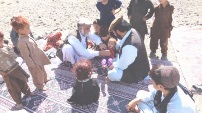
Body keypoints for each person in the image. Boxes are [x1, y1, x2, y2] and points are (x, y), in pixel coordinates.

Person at [126, 65, 198, 113]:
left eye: (152, 81)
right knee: (140, 94)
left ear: (160, 86)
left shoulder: (175, 108)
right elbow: (153, 94)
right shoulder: (171, 85)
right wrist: (136, 100)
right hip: (166, 107)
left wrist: (138, 111)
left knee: (142, 105)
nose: (150, 82)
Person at [10, 16, 51, 91]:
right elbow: (25, 55)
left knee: (42, 69)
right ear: (20, 30)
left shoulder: (26, 36)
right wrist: (31, 64)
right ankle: (40, 85)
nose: (30, 29)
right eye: (27, 28)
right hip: (33, 61)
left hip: (37, 57)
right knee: (37, 74)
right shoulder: (22, 42)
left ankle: (44, 79)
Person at [107, 16, 150, 83]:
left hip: (137, 74)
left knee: (111, 74)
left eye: (114, 33)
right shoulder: (132, 30)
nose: (115, 35)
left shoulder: (129, 47)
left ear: (118, 31)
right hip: (138, 64)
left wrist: (113, 65)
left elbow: (122, 66)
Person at [0, 31, 34, 110]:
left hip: (15, 67)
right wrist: (1, 72)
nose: (2, 41)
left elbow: (14, 56)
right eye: (0, 40)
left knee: (23, 81)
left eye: (2, 39)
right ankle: (18, 102)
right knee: (13, 88)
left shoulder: (5, 46)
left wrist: (7, 49)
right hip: (6, 73)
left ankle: (28, 92)